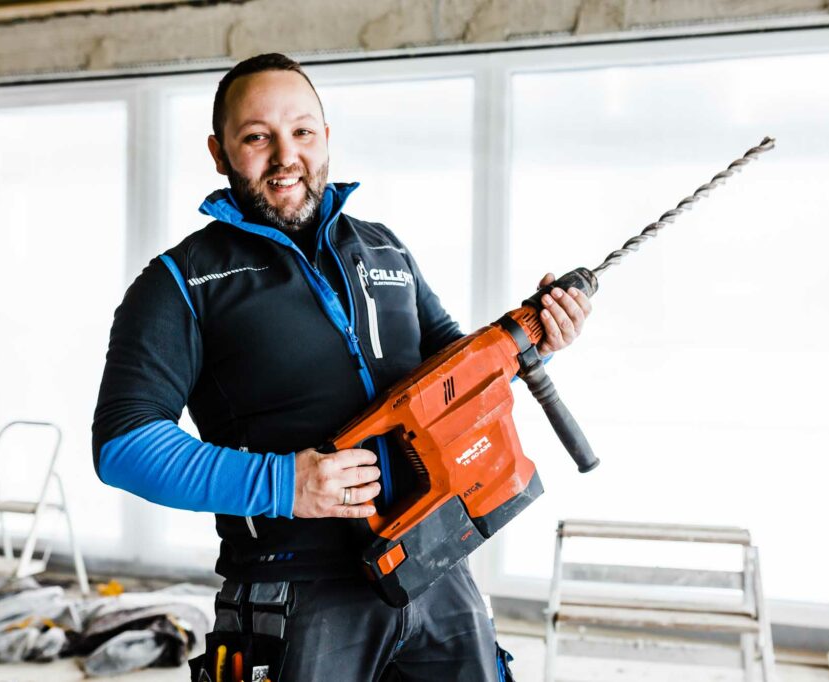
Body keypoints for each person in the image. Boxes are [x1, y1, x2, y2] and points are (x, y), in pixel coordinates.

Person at [92, 52, 591, 682]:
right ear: (219, 153)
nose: (285, 156)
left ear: (326, 138)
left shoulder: (384, 248)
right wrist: (284, 484)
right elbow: (124, 444)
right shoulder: (180, 282)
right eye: (256, 137)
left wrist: (531, 342)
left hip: (438, 565)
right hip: (296, 593)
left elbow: (449, 373)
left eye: (302, 132)